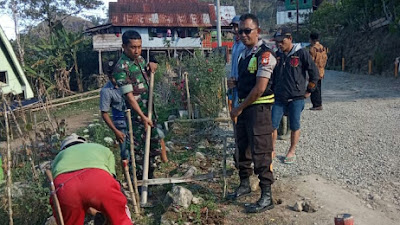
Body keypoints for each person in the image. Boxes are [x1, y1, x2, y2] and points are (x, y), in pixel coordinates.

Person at [227, 13, 277, 213]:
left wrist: (239, 108)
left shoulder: (265, 55)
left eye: (248, 31)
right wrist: (236, 84)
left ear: (258, 31)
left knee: (261, 151)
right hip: (245, 108)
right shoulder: (244, 54)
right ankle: (244, 184)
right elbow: (248, 83)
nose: (243, 35)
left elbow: (259, 89)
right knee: (242, 148)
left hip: (259, 110)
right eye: (240, 31)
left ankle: (266, 196)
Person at [50, 134, 132, 225]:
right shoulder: (101, 148)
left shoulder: (58, 158)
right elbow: (112, 178)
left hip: (66, 187)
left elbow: (57, 187)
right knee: (119, 218)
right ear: (84, 143)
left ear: (64, 148)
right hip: (98, 179)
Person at [112, 30, 161, 180]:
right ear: (124, 47)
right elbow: (130, 97)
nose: (137, 50)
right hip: (137, 119)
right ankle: (139, 186)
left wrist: (151, 66)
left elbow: (146, 76)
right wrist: (142, 116)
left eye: (139, 47)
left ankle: (150, 181)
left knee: (153, 149)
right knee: (138, 153)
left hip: (150, 113)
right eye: (133, 47)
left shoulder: (139, 61)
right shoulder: (121, 68)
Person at [271, 26, 319, 164]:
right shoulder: (277, 55)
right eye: (277, 42)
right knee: (272, 125)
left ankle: (291, 151)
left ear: (290, 39)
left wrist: (309, 90)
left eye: (282, 41)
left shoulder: (302, 53)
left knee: (294, 125)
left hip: (296, 97)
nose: (279, 44)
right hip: (279, 97)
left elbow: (314, 73)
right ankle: (271, 150)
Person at [227, 15, 246, 109]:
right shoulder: (235, 44)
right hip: (233, 83)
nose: (235, 29)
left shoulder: (244, 45)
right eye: (233, 27)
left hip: (241, 83)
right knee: (233, 108)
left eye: (237, 26)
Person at [309, 32, 328, 110]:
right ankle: (319, 103)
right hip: (321, 70)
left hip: (314, 70)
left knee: (313, 88)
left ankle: (316, 105)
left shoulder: (313, 49)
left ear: (312, 39)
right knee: (318, 88)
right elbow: (325, 58)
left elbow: (310, 61)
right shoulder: (323, 48)